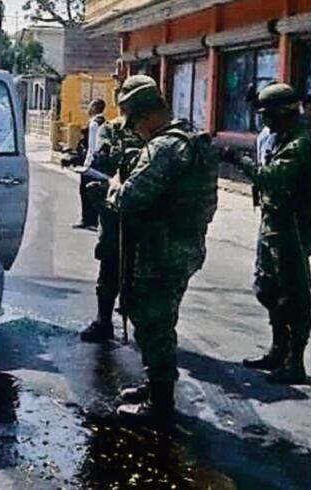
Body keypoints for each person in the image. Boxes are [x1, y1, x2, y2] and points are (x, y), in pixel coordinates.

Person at [102, 75, 218, 424]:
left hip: (160, 251)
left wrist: (113, 185)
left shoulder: (164, 148)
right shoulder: (191, 138)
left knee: (153, 324)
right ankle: (155, 384)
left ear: (147, 115)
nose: (134, 131)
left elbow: (128, 199)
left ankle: (160, 401)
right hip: (184, 245)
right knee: (161, 320)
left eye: (135, 122)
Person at [223, 83, 311, 385]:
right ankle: (278, 350)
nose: (264, 121)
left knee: (293, 295)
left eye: (267, 115)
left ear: (284, 114)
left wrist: (236, 158)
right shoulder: (284, 136)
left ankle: (295, 361)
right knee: (267, 288)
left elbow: (270, 177)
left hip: (293, 227)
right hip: (274, 222)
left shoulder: (302, 143)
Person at [79, 115, 144, 343]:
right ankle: (103, 320)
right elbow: (102, 158)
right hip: (113, 211)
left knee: (142, 270)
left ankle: (144, 329)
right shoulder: (112, 129)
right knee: (110, 265)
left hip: (143, 211)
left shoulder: (155, 130)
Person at [73, 99, 108, 230]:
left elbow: (92, 147)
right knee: (96, 190)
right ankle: (95, 219)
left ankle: (88, 219)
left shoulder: (94, 124)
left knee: (85, 191)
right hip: (101, 162)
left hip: (92, 162)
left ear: (94, 108)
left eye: (90, 106)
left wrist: (87, 164)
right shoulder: (105, 122)